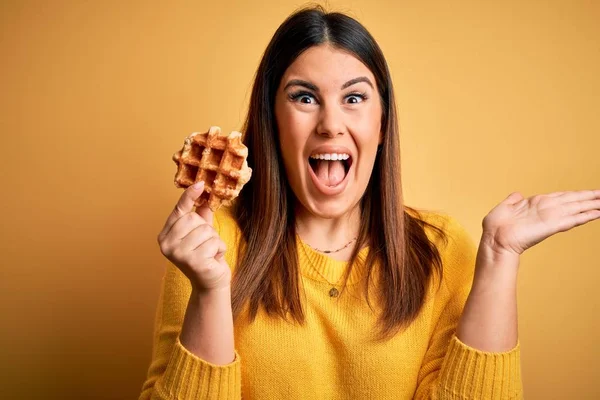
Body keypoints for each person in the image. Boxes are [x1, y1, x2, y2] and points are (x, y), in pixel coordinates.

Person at [139, 6, 600, 400]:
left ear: (381, 124)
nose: (330, 124)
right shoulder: (212, 247)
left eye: (354, 97)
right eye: (304, 98)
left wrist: (499, 256)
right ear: (271, 122)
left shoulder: (442, 250)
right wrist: (209, 292)